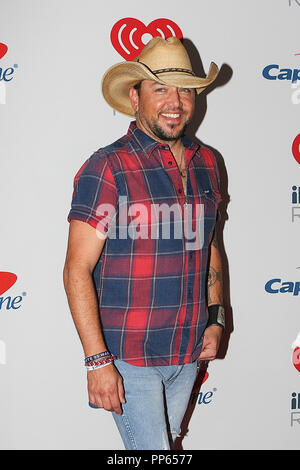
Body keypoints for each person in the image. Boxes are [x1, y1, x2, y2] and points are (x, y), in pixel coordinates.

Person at [63, 36, 225, 450]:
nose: (175, 101)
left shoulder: (208, 163)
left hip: (186, 350)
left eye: (185, 89)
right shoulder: (109, 166)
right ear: (135, 97)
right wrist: (98, 360)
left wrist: (216, 317)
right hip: (129, 355)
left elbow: (210, 246)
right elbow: (76, 268)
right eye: (161, 88)